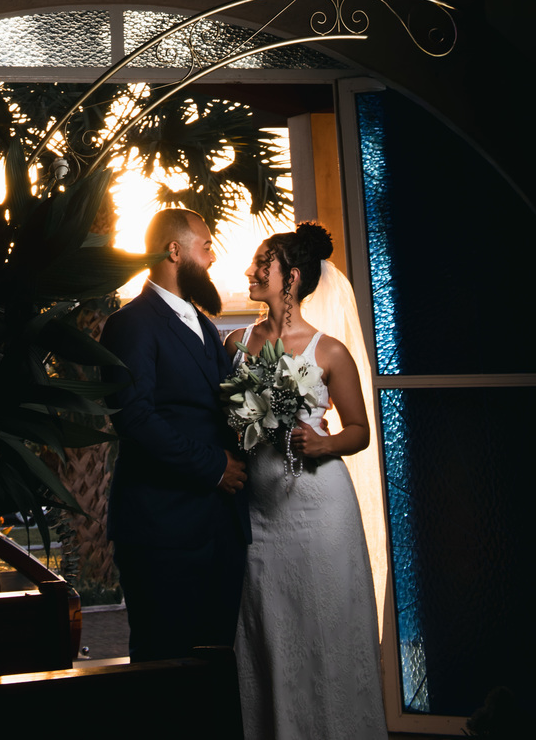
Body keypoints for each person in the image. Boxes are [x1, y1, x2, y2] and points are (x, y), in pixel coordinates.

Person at [230, 221, 387, 739]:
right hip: (260, 511)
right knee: (269, 630)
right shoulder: (235, 345)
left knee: (326, 628)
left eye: (262, 264)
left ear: (291, 277)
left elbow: (360, 430)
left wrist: (323, 444)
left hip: (321, 509)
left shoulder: (330, 352)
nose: (250, 272)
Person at [103, 207, 250, 662]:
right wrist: (216, 467)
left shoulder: (203, 324)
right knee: (164, 665)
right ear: (174, 251)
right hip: (161, 530)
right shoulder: (131, 323)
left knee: (216, 666)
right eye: (206, 247)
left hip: (219, 529)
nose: (212, 258)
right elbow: (135, 418)